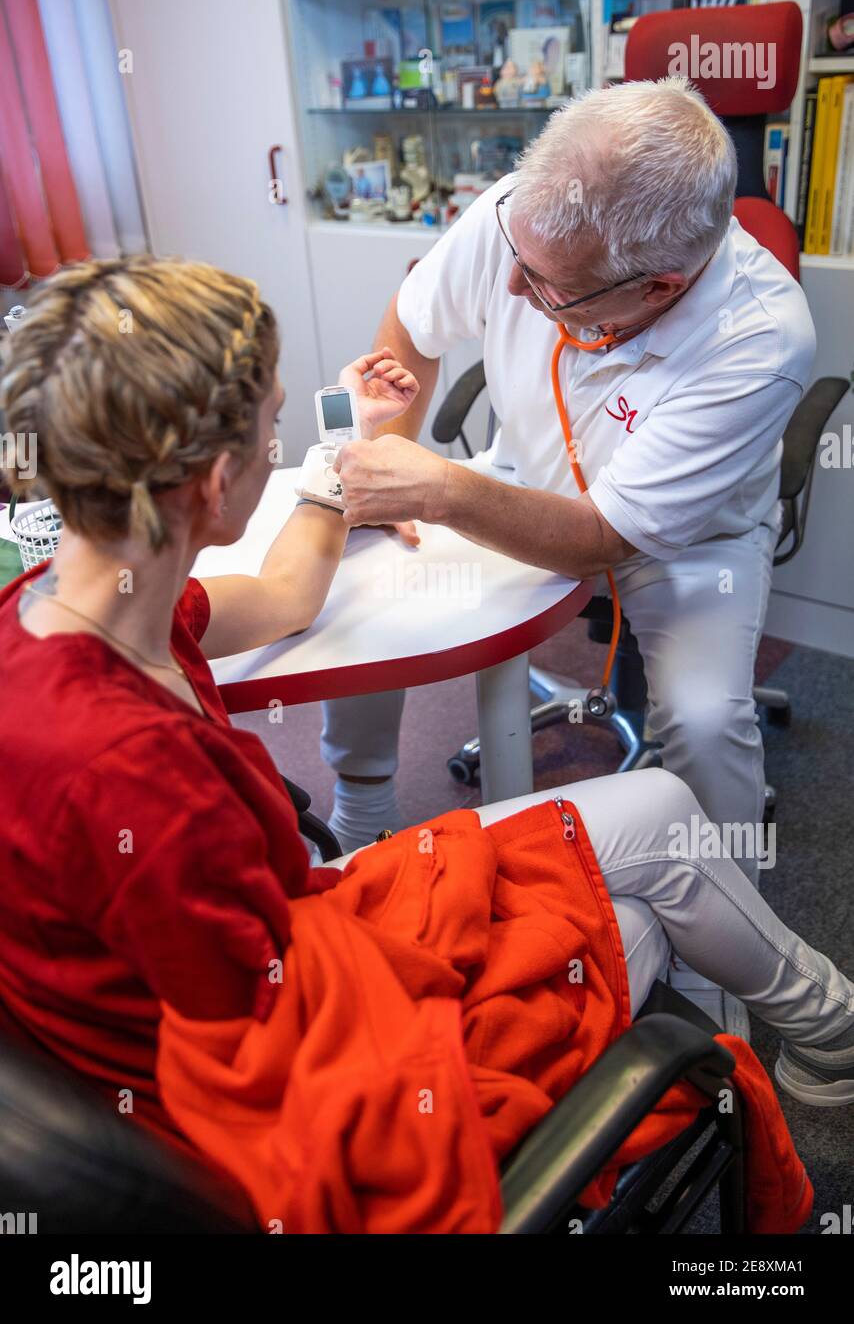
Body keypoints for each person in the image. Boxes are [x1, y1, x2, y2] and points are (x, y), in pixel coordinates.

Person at [0, 256, 851, 1143]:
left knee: (664, 818)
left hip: (289, 958)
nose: (283, 450)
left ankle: (835, 1030)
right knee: (633, 926)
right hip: (312, 1074)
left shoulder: (84, 606)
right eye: (275, 428)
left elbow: (287, 593)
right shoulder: (137, 776)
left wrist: (346, 447)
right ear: (218, 487)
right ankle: (827, 1036)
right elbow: (266, 1052)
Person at [322, 77, 816, 876]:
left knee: (702, 720)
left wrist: (439, 488)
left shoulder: (759, 337)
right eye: (516, 257)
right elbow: (412, 327)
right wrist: (388, 468)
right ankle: (361, 809)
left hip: (687, 540)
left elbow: (600, 538)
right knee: (365, 569)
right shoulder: (527, 214)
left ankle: (720, 960)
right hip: (519, 474)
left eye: (549, 285)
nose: (513, 290)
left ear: (661, 287)